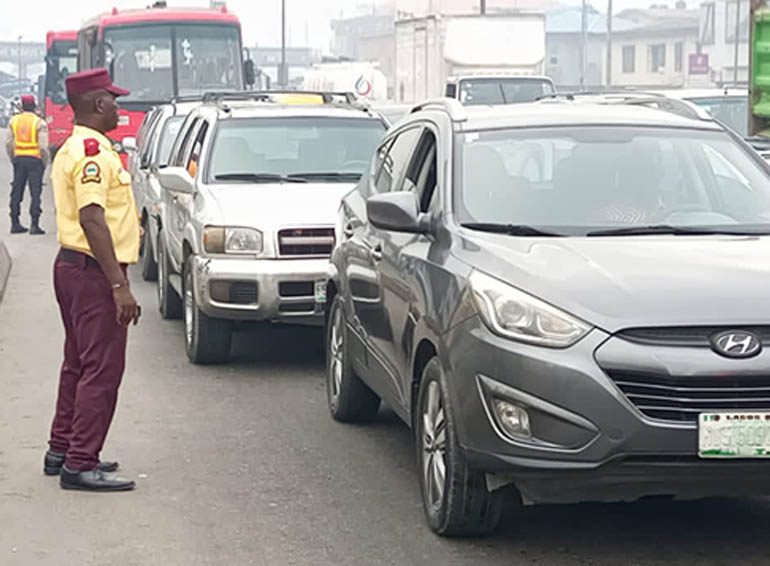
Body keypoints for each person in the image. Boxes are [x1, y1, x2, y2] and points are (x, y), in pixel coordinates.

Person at [45, 68, 141, 492]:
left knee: (78, 364)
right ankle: (80, 463)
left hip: (73, 266)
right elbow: (92, 217)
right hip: (93, 271)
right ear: (98, 105)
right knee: (102, 369)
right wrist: (118, 286)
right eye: (114, 100)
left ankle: (62, 449)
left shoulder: (74, 147)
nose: (119, 107)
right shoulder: (92, 152)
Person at [5, 94, 49, 234]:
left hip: (19, 160)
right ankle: (34, 225)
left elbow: (8, 143)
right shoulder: (39, 123)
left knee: (17, 191)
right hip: (35, 161)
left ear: (22, 106)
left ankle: (15, 223)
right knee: (35, 193)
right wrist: (44, 162)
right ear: (34, 106)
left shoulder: (14, 121)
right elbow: (43, 147)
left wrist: (13, 158)